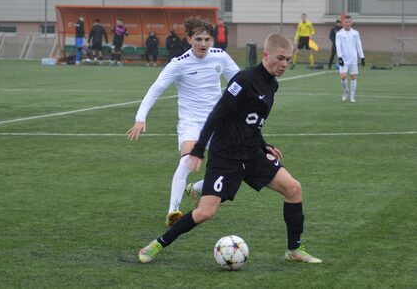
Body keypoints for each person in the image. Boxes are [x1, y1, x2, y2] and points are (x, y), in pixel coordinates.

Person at [138, 34, 322, 265]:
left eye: (288, 59)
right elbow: (218, 114)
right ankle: (157, 244)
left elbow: (252, 122)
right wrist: (198, 149)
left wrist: (265, 145)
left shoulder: (272, 84)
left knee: (294, 188)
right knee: (206, 212)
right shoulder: (243, 80)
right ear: (266, 56)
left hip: (253, 153)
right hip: (227, 155)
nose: (285, 64)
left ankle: (294, 250)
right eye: (280, 58)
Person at [127, 17, 240, 227]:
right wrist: (140, 118)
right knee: (187, 161)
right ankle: (174, 211)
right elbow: (156, 89)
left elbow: (240, 81)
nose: (203, 44)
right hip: (191, 123)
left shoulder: (220, 57)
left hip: (218, 123)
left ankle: (195, 188)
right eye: (198, 39)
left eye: (207, 39)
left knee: (234, 170)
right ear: (188, 39)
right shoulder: (179, 64)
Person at [335, 15, 365, 103]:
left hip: (353, 59)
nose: (347, 23)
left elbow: (358, 45)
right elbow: (338, 46)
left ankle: (352, 97)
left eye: (349, 22)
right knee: (343, 76)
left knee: (353, 77)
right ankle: (345, 91)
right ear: (343, 23)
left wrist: (362, 57)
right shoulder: (339, 33)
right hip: (343, 59)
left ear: (351, 22)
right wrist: (339, 57)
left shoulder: (355, 33)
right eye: (346, 22)